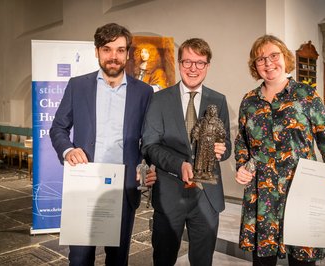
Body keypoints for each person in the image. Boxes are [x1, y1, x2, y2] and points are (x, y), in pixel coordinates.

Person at [234, 34, 325, 266]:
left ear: (285, 58)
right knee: (263, 261)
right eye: (261, 59)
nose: (268, 63)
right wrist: (241, 166)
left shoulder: (307, 96)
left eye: (273, 56)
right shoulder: (249, 101)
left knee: (302, 261)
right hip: (263, 193)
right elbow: (242, 143)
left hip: (302, 190)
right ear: (254, 66)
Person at [50, 23, 156, 266]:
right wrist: (68, 149)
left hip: (123, 186)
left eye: (120, 50)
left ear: (128, 53)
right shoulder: (77, 86)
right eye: (107, 49)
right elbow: (58, 128)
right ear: (97, 51)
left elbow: (149, 139)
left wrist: (148, 167)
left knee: (118, 259)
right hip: (84, 184)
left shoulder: (144, 92)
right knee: (79, 259)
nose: (113, 57)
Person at [141, 38, 231, 266]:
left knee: (202, 261)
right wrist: (178, 165)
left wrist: (223, 148)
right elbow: (150, 146)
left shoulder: (218, 100)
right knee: (164, 258)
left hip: (206, 196)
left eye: (200, 63)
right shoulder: (159, 99)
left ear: (208, 66)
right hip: (170, 193)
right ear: (179, 64)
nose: (193, 69)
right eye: (188, 62)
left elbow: (227, 143)